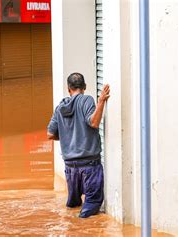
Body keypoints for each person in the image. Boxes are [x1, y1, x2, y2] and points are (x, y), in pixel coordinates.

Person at [47, 72, 110, 218]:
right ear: (85, 87)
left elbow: (50, 134)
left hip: (70, 167)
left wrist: (66, 137)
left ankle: (71, 228)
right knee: (90, 208)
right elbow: (94, 122)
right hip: (89, 165)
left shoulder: (60, 108)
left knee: (73, 205)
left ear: (69, 89)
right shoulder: (86, 100)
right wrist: (101, 102)